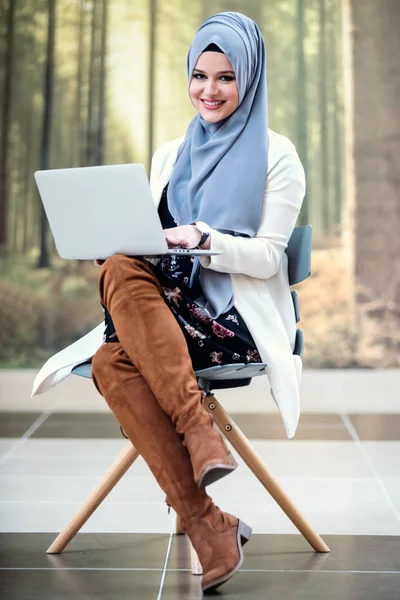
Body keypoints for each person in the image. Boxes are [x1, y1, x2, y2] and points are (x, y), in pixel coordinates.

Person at [32, 11, 306, 595]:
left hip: (230, 317)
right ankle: (209, 515)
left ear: (250, 79)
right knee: (119, 267)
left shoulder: (278, 157)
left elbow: (268, 260)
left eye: (226, 77)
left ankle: (197, 444)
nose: (209, 90)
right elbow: (145, 245)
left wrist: (202, 239)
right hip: (163, 307)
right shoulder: (169, 153)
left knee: (114, 350)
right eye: (200, 75)